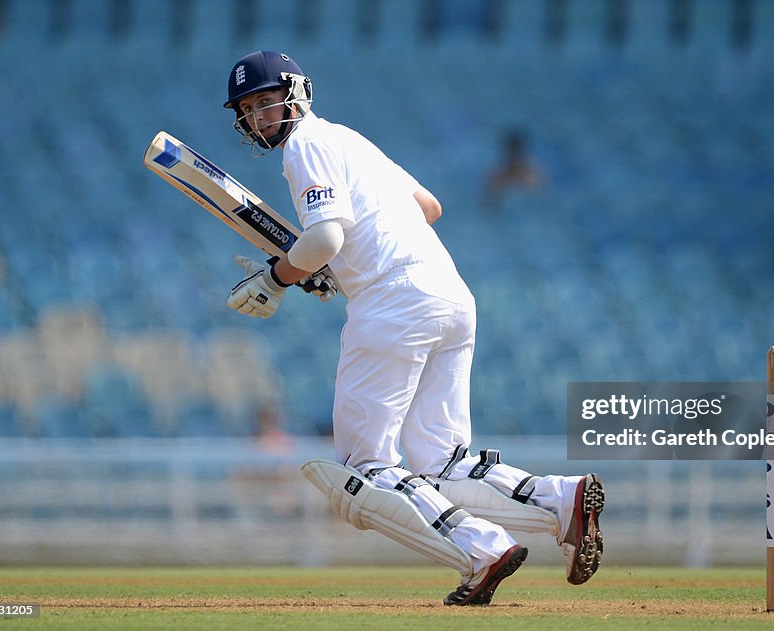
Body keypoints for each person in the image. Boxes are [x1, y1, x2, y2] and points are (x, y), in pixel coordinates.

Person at [219, 51, 603, 606]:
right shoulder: (353, 140)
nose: (258, 116)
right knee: (440, 459)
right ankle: (561, 500)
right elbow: (429, 206)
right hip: (448, 292)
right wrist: (346, 260)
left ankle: (482, 550)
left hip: (392, 302)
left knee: (366, 467)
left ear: (297, 91)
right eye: (248, 109)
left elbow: (326, 238)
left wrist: (279, 278)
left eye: (265, 100)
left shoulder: (304, 145)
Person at [484, 128, 545, 208]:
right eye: (512, 154)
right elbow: (488, 203)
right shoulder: (497, 176)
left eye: (516, 154)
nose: (514, 158)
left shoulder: (533, 175)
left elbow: (541, 200)